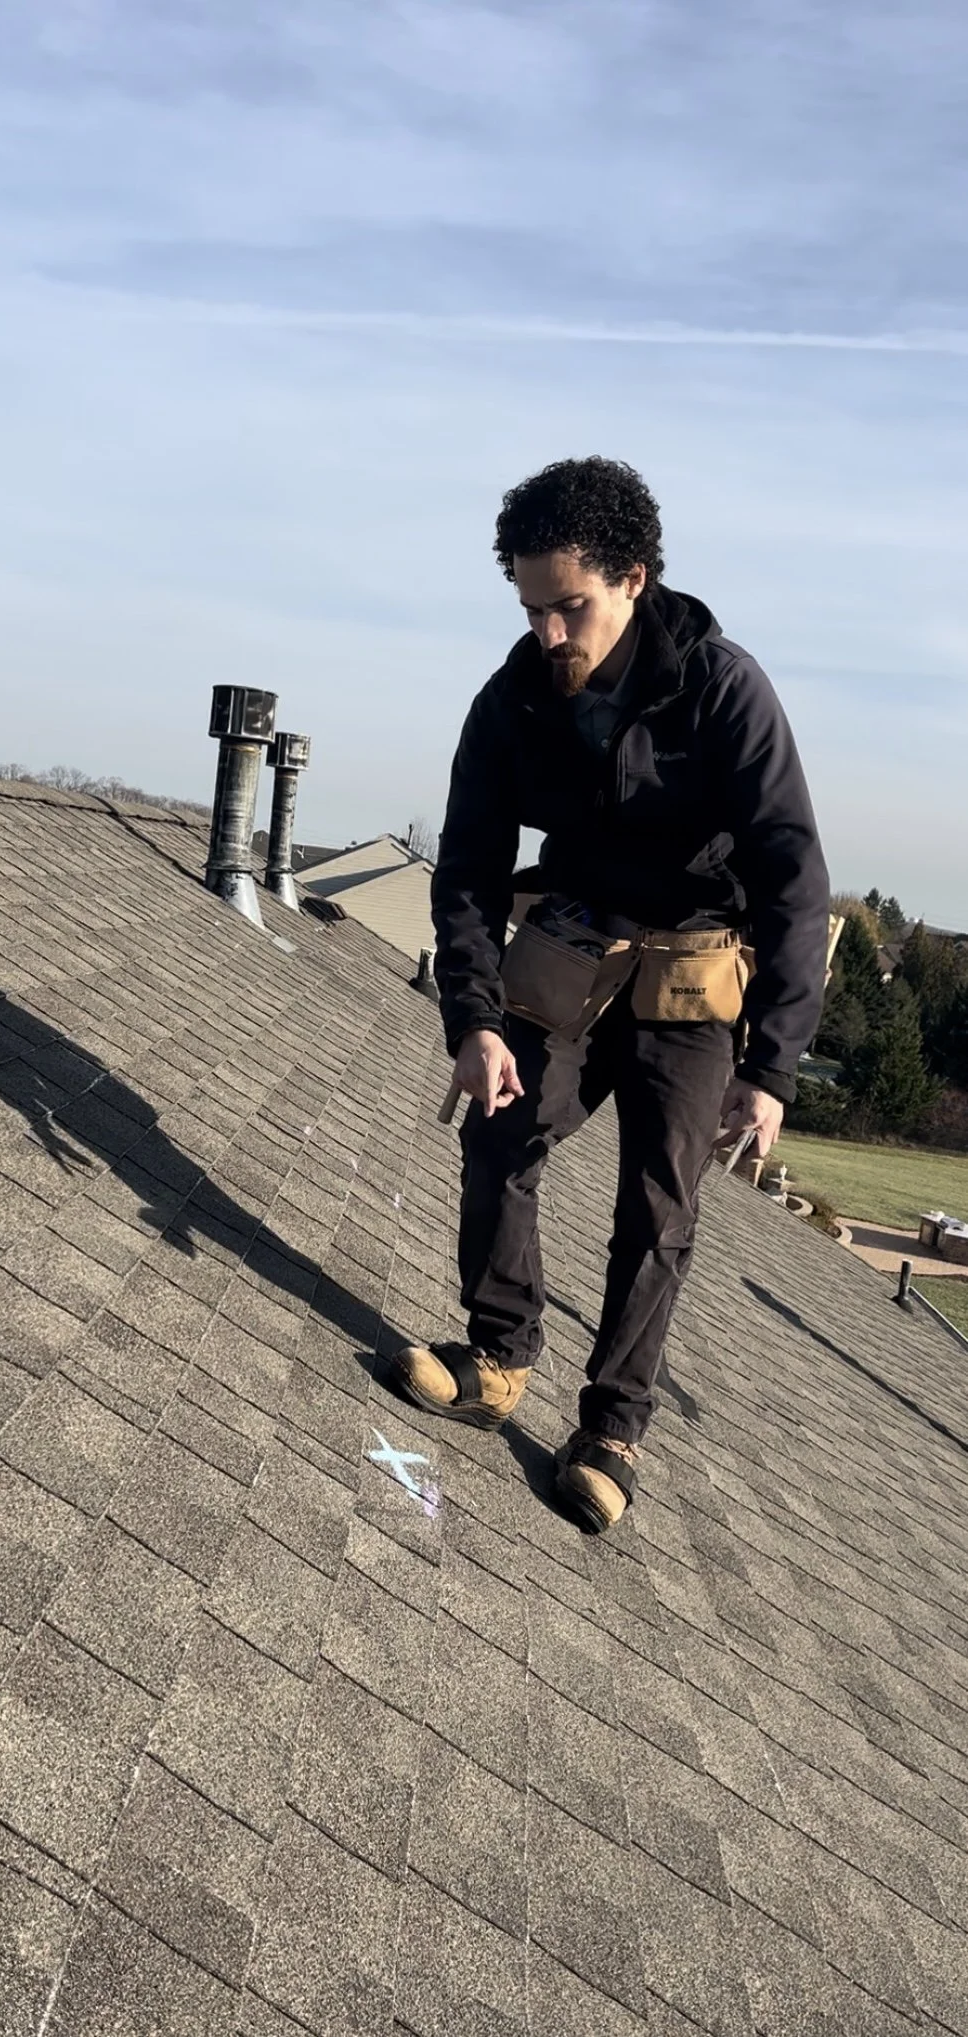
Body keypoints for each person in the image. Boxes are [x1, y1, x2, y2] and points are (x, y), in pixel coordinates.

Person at [392, 456, 829, 1533]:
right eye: (532, 608)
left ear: (634, 577)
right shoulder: (515, 698)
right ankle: (497, 1357)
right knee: (501, 1125)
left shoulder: (724, 688)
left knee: (659, 1206)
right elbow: (468, 869)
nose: (549, 633)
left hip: (692, 971)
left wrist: (770, 1068)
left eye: (569, 606)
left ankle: (613, 1426)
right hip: (574, 945)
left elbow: (795, 881)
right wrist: (476, 1019)